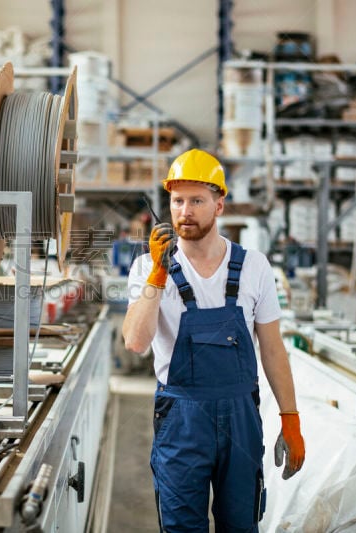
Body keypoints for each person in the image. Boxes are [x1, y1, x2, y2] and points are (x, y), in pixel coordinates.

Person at [122, 149, 305, 532]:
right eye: (177, 201)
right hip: (182, 419)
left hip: (241, 417)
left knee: (240, 525)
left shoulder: (254, 266)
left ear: (219, 204)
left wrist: (290, 418)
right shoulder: (148, 268)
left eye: (196, 201)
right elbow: (136, 342)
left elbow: (272, 348)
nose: (184, 211)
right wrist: (158, 273)